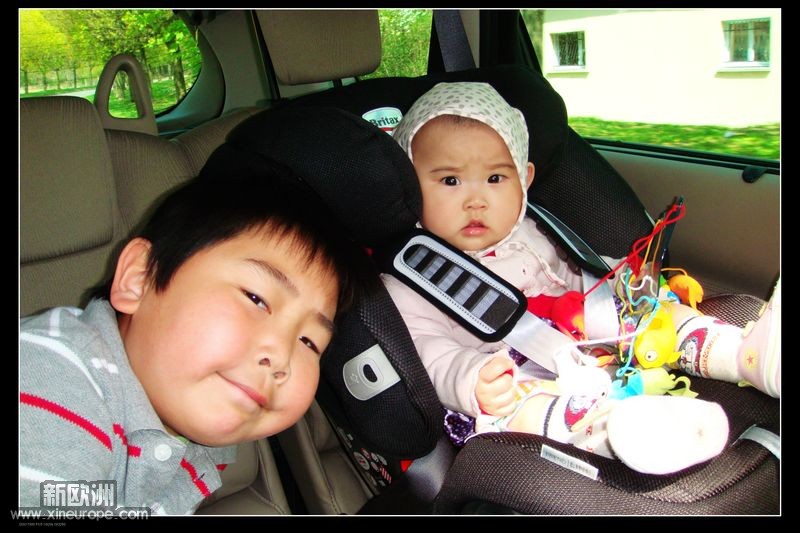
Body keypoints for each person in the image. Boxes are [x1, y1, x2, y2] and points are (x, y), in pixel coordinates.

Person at [383, 81, 780, 475]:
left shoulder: (531, 231)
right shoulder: (409, 276)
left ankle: (741, 355)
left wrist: (623, 280)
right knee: (515, 410)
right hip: (502, 372)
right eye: (450, 181)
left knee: (651, 311)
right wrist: (469, 379)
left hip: (578, 338)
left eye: (496, 179)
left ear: (524, 179)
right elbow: (425, 350)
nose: (476, 200)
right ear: (408, 186)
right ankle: (615, 430)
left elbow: (576, 276)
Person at [19, 165, 376, 514]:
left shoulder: (198, 440)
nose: (282, 358)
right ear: (140, 278)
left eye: (310, 342)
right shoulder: (48, 378)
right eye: (256, 298)